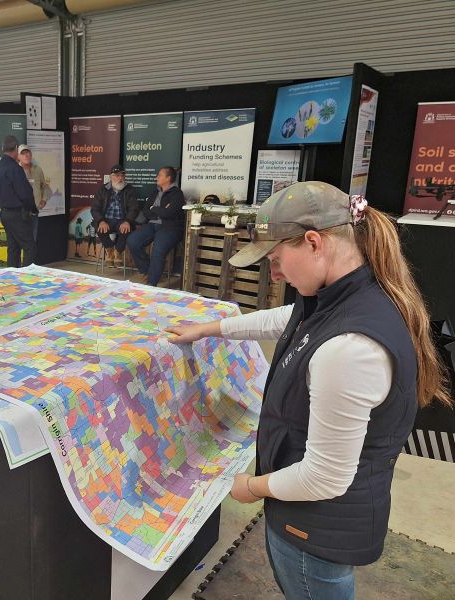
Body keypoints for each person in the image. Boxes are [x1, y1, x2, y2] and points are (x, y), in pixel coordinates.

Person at [166, 181, 451, 599]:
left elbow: (323, 478)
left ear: (315, 242)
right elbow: (287, 318)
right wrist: (210, 329)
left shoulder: (348, 349)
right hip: (315, 517)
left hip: (315, 528)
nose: (274, 273)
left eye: (276, 259)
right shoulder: (347, 293)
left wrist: (251, 486)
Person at [126, 166, 184, 285]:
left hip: (170, 227)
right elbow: (146, 210)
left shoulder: (177, 194)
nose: (156, 177)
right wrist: (158, 211)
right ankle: (147, 270)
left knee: (158, 250)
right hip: (152, 224)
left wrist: (154, 208)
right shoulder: (155, 192)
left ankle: (151, 285)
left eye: (160, 175)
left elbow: (169, 213)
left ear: (168, 178)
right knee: (132, 241)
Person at [0, 135, 37, 267]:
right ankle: (28, 277)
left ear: (2, 148)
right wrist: (32, 209)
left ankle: (11, 276)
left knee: (13, 247)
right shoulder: (15, 169)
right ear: (16, 148)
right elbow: (25, 194)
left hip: (5, 213)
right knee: (29, 247)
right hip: (17, 214)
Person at [90, 164, 139, 268]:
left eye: (122, 175)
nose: (120, 178)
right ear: (111, 177)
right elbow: (95, 209)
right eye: (117, 175)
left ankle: (118, 251)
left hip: (122, 220)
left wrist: (127, 221)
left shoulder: (129, 189)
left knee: (126, 229)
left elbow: (134, 208)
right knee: (100, 228)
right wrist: (101, 221)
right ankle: (109, 250)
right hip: (106, 219)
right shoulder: (102, 189)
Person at [17, 144, 50, 239]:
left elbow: (44, 186)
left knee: (32, 239)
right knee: (21, 240)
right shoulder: (15, 170)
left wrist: (44, 200)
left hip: (34, 212)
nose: (26, 155)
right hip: (20, 214)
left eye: (28, 153)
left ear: (31, 154)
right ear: (18, 157)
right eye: (23, 153)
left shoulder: (38, 169)